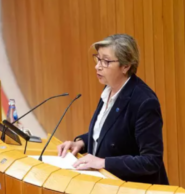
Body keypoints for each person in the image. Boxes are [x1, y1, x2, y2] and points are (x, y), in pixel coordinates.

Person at [57, 34, 169, 185]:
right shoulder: (110, 88)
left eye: (106, 61)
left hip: (134, 193)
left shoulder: (144, 102)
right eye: (98, 58)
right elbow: (110, 133)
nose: (98, 66)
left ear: (125, 66)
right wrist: (81, 143)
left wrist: (104, 163)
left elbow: (151, 160)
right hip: (108, 185)